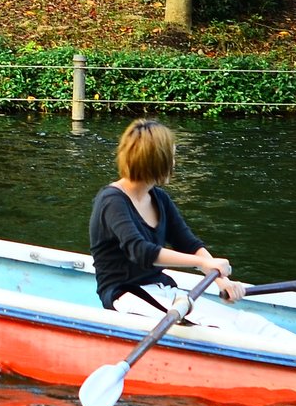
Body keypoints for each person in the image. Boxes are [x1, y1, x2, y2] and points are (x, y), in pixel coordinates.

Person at [90, 117, 246, 315]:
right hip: (125, 294)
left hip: (162, 289)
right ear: (157, 161)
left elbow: (188, 243)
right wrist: (202, 263)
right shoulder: (111, 201)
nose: (174, 163)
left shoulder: (159, 198)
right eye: (171, 156)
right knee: (207, 329)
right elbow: (141, 251)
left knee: (244, 322)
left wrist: (221, 280)